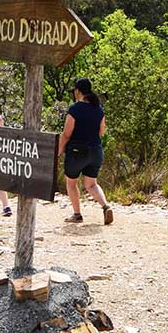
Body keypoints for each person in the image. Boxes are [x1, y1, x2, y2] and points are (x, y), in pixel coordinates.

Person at [57, 77, 113, 224]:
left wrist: (58, 151)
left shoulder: (74, 109)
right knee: (91, 184)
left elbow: (67, 134)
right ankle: (106, 206)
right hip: (96, 151)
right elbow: (102, 132)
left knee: (71, 182)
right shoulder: (98, 109)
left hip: (77, 152)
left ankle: (77, 214)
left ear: (78, 91)